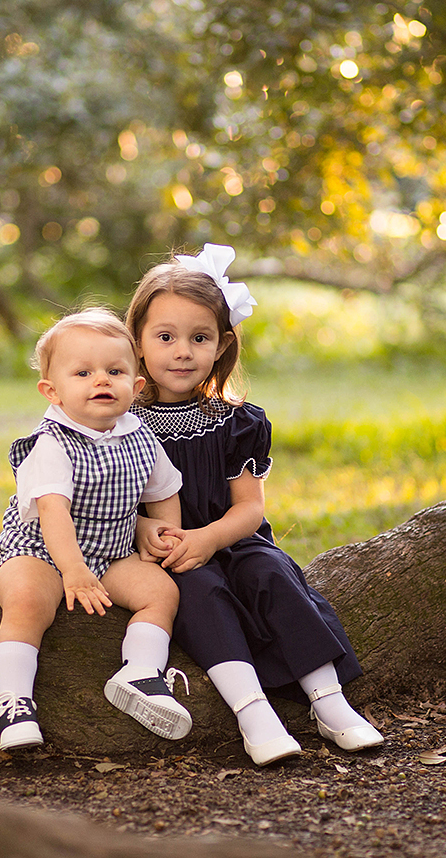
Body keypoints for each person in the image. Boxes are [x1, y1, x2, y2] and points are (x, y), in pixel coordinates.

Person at [126, 245, 383, 765]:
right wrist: (141, 530)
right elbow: (104, 500)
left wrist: (210, 538)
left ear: (221, 345)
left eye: (199, 338)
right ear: (137, 341)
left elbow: (249, 510)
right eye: (166, 337)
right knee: (199, 591)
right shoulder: (118, 424)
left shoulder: (236, 421)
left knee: (270, 572)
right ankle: (253, 713)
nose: (182, 351)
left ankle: (329, 701)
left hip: (230, 538)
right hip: (167, 553)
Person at [0, 308, 193, 751]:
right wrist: (73, 571)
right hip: (41, 550)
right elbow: (53, 513)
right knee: (26, 601)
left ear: (136, 387)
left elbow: (165, 490)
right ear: (53, 391)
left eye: (114, 371)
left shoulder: (140, 437)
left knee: (162, 594)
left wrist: (164, 532)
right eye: (83, 372)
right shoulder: (52, 444)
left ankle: (140, 672)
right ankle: (13, 700)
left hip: (113, 552)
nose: (101, 380)